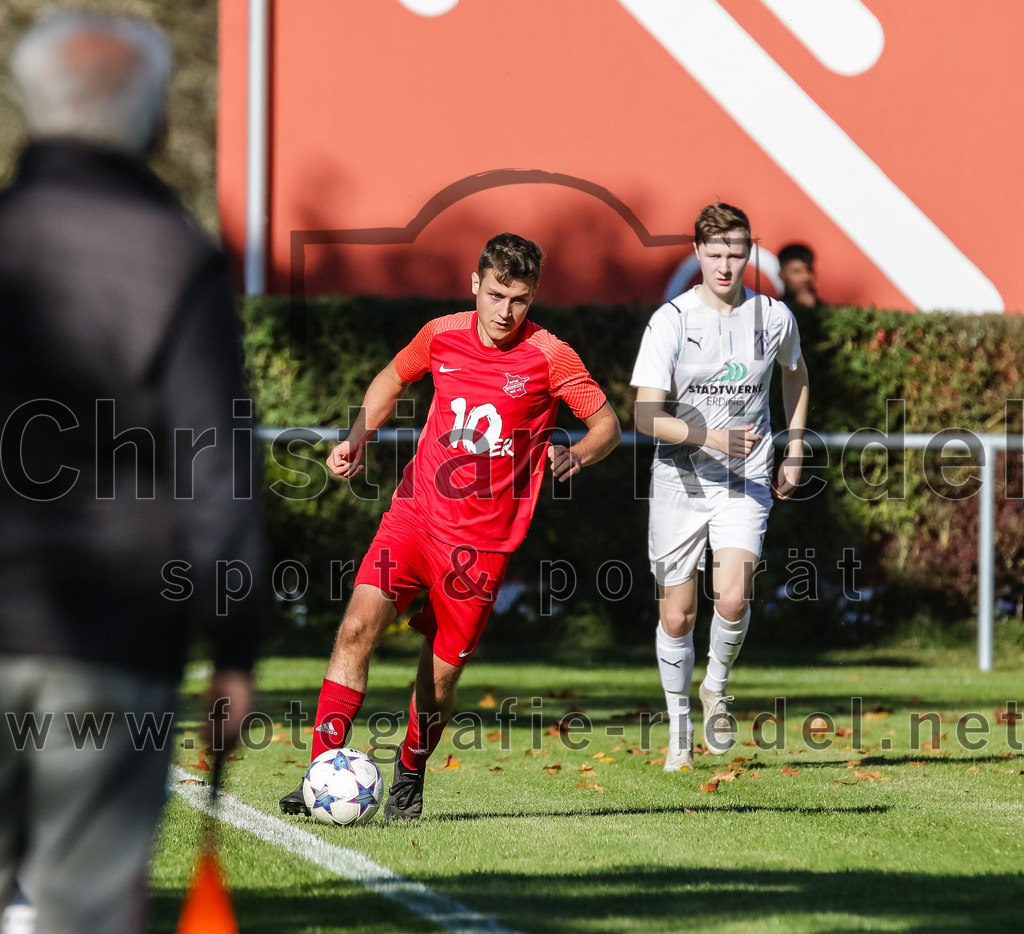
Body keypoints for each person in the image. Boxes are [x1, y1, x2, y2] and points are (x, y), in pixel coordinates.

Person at [0, 11, 263, 933]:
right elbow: (218, 473)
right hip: (111, 643)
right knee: (85, 913)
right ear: (155, 120)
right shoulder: (174, 259)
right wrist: (236, 646)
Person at [279, 233, 621, 820]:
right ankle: (321, 771)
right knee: (357, 628)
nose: (505, 312)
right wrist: (355, 440)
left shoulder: (550, 355)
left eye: (519, 299)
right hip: (413, 518)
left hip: (481, 548)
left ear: (533, 295)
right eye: (495, 295)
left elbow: (607, 424)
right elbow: (390, 379)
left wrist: (579, 454)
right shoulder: (441, 335)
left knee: (438, 680)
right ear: (475, 285)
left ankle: (409, 775)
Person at [631, 204, 809, 772]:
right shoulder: (672, 321)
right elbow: (643, 416)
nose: (726, 264)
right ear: (698, 252)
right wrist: (708, 435)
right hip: (680, 482)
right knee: (677, 617)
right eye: (715, 253)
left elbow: (796, 374)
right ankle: (679, 732)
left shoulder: (773, 316)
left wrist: (796, 444)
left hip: (747, 477)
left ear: (749, 251)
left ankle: (716, 688)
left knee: (731, 597)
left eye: (736, 252)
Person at [777, 242, 824, 310]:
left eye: (809, 270)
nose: (806, 277)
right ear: (781, 275)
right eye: (797, 271)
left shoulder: (832, 314)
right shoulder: (772, 313)